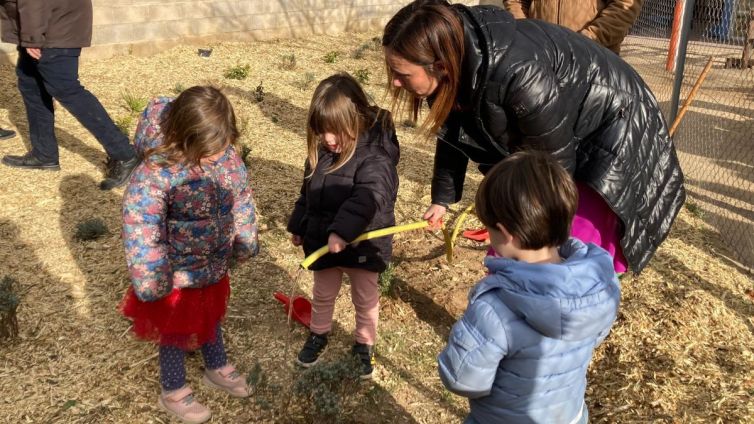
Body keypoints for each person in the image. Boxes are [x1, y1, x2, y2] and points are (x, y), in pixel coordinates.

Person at [382, 0, 685, 274]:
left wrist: (535, 226)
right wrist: (443, 199)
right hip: (562, 120)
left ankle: (574, 300)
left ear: (440, 66)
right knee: (513, 236)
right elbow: (455, 132)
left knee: (567, 238)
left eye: (402, 74)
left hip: (613, 121)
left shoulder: (518, 73)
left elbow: (553, 168)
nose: (395, 82)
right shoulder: (455, 61)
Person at [438, 150, 621, 424]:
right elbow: (596, 335)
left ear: (505, 233)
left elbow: (464, 380)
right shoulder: (597, 284)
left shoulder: (495, 306)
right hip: (569, 416)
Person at [119, 86, 259, 424]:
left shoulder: (227, 157)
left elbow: (241, 198)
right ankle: (174, 389)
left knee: (211, 315)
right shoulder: (157, 172)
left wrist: (245, 239)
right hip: (176, 272)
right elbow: (141, 227)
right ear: (185, 137)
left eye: (223, 145)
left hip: (213, 263)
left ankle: (216, 365)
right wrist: (152, 275)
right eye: (209, 150)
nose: (218, 155)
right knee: (176, 329)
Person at [287, 73, 399, 379]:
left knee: (364, 297)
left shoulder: (375, 155)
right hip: (324, 240)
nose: (328, 140)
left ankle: (364, 344)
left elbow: (370, 195)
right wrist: (299, 224)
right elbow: (306, 191)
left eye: (336, 132)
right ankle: (319, 332)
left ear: (357, 120)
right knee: (322, 293)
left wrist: (342, 231)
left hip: (362, 242)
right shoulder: (322, 152)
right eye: (322, 132)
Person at [0, 0, 139, 189]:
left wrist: (33, 37)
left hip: (53, 26)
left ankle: (125, 155)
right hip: (49, 21)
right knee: (31, 83)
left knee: (66, 88)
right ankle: (44, 153)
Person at [501, 0, 643, 54]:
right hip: (540, 54)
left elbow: (625, 6)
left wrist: (586, 40)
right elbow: (515, 2)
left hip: (592, 58)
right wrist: (527, 35)